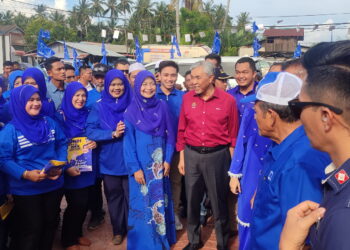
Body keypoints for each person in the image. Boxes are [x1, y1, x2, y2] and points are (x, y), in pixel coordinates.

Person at [242, 72, 330, 250]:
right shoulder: (284, 146)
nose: (255, 117)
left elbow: (303, 237)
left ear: (271, 115)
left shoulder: (298, 163)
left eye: (256, 111)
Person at [280, 40, 350, 250]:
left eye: (297, 106)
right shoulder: (340, 182)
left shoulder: (343, 220)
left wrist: (288, 246)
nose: (298, 117)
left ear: (326, 117)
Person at [177, 61, 239, 250]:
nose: (192, 82)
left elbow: (233, 135)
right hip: (192, 155)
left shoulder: (228, 101)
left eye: (197, 78)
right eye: (191, 78)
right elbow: (182, 130)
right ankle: (194, 240)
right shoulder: (187, 99)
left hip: (217, 156)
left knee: (219, 200)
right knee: (192, 201)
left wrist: (233, 169)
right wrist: (182, 158)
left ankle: (222, 241)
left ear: (211, 78)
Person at [0, 84, 67, 250]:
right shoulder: (11, 130)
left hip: (53, 184)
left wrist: (60, 165)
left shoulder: (50, 123)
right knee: (32, 229)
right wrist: (25, 174)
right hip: (26, 189)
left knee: (51, 223)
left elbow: (62, 144)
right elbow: (3, 158)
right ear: (18, 102)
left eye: (38, 99)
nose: (36, 103)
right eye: (30, 100)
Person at [123, 70, 176, 250]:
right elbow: (128, 143)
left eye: (151, 83)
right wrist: (135, 168)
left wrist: (168, 160)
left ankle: (162, 239)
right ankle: (145, 243)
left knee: (160, 201)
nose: (148, 88)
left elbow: (171, 136)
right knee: (143, 204)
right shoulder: (130, 110)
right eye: (144, 84)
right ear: (137, 87)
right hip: (141, 168)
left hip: (160, 166)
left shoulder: (162, 106)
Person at [86, 69, 131, 245]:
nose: (117, 87)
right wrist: (111, 134)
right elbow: (90, 130)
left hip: (130, 160)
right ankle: (118, 230)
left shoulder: (133, 103)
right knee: (114, 198)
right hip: (109, 160)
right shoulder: (99, 105)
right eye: (113, 84)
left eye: (120, 84)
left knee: (131, 197)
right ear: (106, 85)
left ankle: (132, 229)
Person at [56, 82, 98, 250]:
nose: (80, 99)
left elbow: (95, 131)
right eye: (76, 96)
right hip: (69, 168)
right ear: (69, 96)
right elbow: (56, 144)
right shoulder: (59, 116)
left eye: (83, 96)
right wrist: (66, 167)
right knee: (75, 203)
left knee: (84, 203)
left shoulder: (88, 113)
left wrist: (95, 141)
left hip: (86, 166)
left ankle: (77, 234)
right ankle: (68, 240)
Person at [156, 60, 185, 231]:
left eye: (173, 75)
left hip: (176, 147)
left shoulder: (183, 97)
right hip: (156, 148)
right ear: (159, 76)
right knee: (157, 182)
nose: (169, 78)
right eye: (166, 75)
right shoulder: (151, 94)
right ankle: (159, 214)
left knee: (175, 181)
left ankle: (173, 214)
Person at [228, 57, 258, 123]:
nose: (241, 76)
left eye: (245, 72)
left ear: (254, 74)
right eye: (238, 72)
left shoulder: (262, 93)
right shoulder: (229, 95)